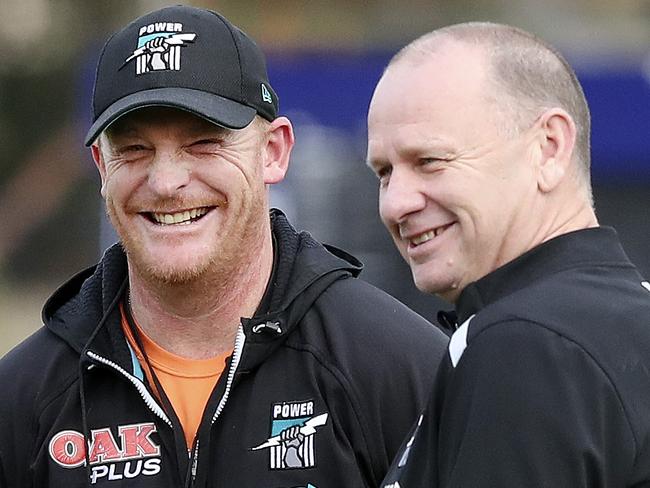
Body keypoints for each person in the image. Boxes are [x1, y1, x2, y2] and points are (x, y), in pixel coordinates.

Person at [0, 6, 448, 488]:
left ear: (273, 152)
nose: (167, 182)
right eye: (134, 149)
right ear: (101, 166)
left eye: (203, 143)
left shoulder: (398, 367)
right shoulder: (24, 397)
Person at [366, 22, 650, 487]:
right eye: (383, 172)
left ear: (548, 147)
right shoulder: (612, 321)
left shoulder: (526, 343)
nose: (396, 202)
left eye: (430, 161)